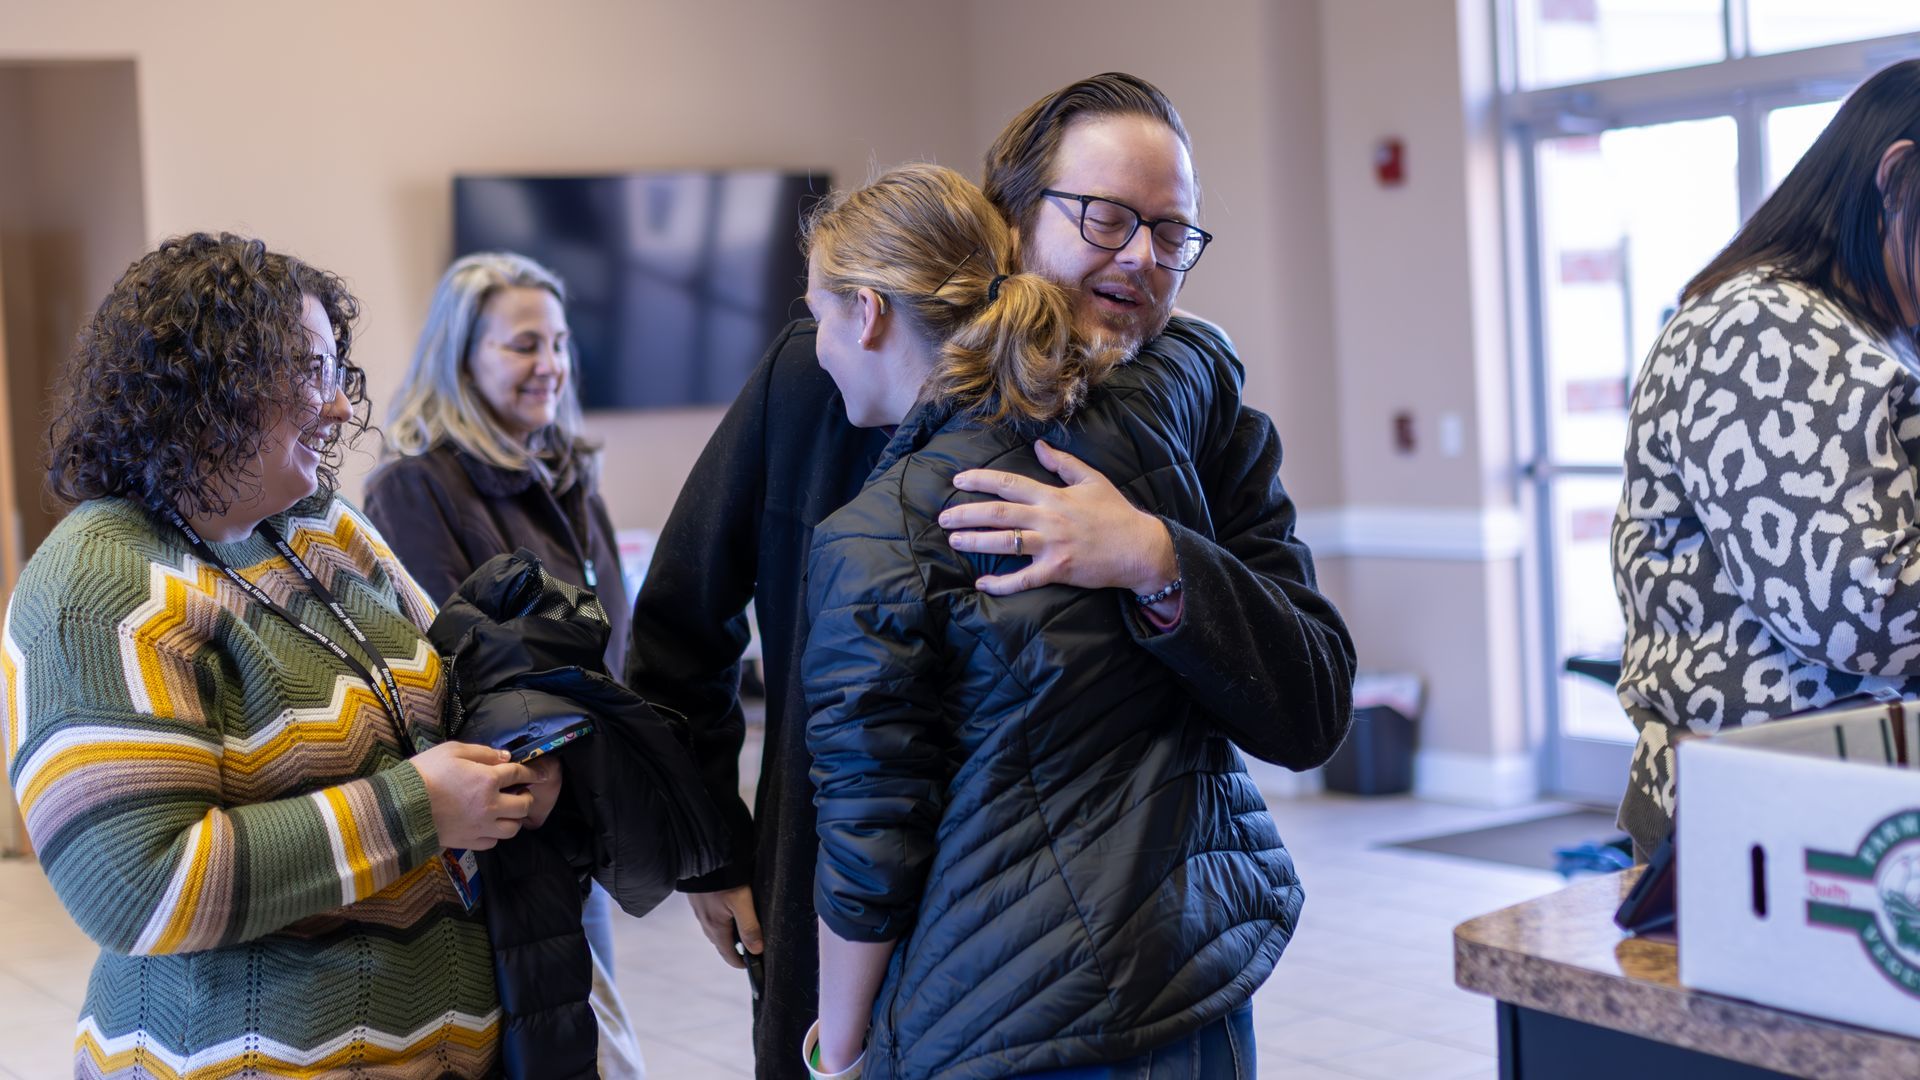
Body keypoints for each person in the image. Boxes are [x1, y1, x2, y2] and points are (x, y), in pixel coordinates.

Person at [626, 73, 1354, 1077]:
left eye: (1172, 232)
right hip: (848, 922)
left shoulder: (1194, 407)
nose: (1141, 257)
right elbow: (679, 619)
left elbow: (1310, 706)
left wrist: (1159, 555)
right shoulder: (832, 366)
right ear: (1009, 215)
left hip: (1102, 975)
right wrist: (709, 846)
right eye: (1106, 218)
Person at [3, 232, 555, 1077]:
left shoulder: (323, 525)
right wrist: (418, 809)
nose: (338, 407)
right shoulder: (98, 581)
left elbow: (444, 703)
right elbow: (140, 889)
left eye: (336, 371)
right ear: (208, 384)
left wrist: (516, 774)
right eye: (310, 372)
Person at [800, 162, 1295, 1079]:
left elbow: (870, 849)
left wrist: (838, 1044)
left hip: (1012, 1012)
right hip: (1195, 964)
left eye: (819, 315)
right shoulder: (1140, 428)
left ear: (866, 314)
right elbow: (1199, 349)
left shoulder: (872, 538)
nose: (816, 346)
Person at [1613, 59, 1920, 856]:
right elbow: (1861, 608)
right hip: (1762, 829)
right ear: (1896, 176)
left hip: (1834, 812)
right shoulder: (1764, 329)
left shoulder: (1869, 332)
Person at [364, 251, 644, 1077]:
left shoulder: (565, 477)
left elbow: (605, 646)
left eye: (559, 343)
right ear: (462, 356)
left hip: (578, 819)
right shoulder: (413, 488)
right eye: (525, 345)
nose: (550, 365)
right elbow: (454, 675)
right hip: (502, 831)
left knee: (588, 1041)